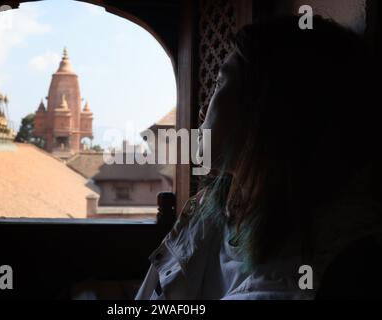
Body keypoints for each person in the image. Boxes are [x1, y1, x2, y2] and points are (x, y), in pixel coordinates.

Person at [135, 15, 382, 300]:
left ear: (265, 113)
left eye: (219, 83)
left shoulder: (323, 275)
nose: (202, 110)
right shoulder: (212, 210)